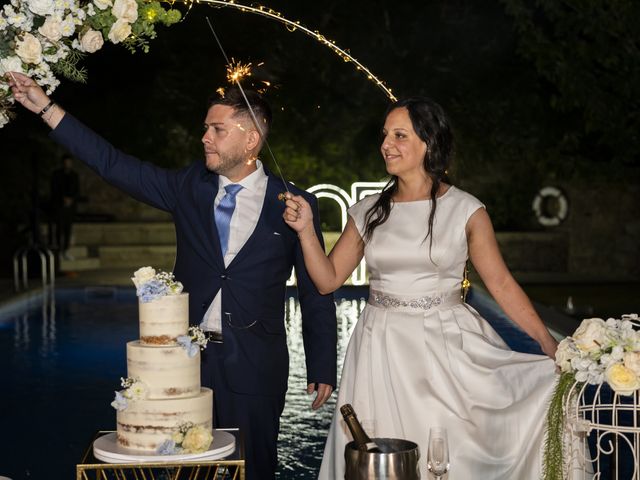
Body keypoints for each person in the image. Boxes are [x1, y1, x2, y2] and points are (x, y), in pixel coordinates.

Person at [8, 71, 337, 480]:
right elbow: (111, 163)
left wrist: (322, 363)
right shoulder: (187, 186)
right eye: (205, 129)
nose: (205, 138)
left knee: (255, 470)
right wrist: (45, 107)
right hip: (182, 364)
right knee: (181, 469)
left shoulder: (294, 203)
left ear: (251, 139)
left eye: (217, 129)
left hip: (255, 365)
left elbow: (315, 290)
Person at [283, 97, 559, 479]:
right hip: (380, 346)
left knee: (449, 450)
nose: (386, 144)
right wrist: (306, 231)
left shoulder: (466, 210)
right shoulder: (368, 210)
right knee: (376, 451)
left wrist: (546, 342)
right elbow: (328, 279)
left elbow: (500, 283)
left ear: (428, 143)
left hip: (446, 348)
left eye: (399, 135)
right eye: (384, 135)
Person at [50, 154, 79, 260]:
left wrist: (71, 200)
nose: (67, 164)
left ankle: (66, 250)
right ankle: (59, 251)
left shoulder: (74, 175)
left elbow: (76, 190)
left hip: (70, 207)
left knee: (68, 229)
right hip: (59, 206)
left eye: (69, 162)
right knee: (59, 228)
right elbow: (54, 189)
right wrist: (63, 198)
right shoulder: (57, 174)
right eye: (66, 162)